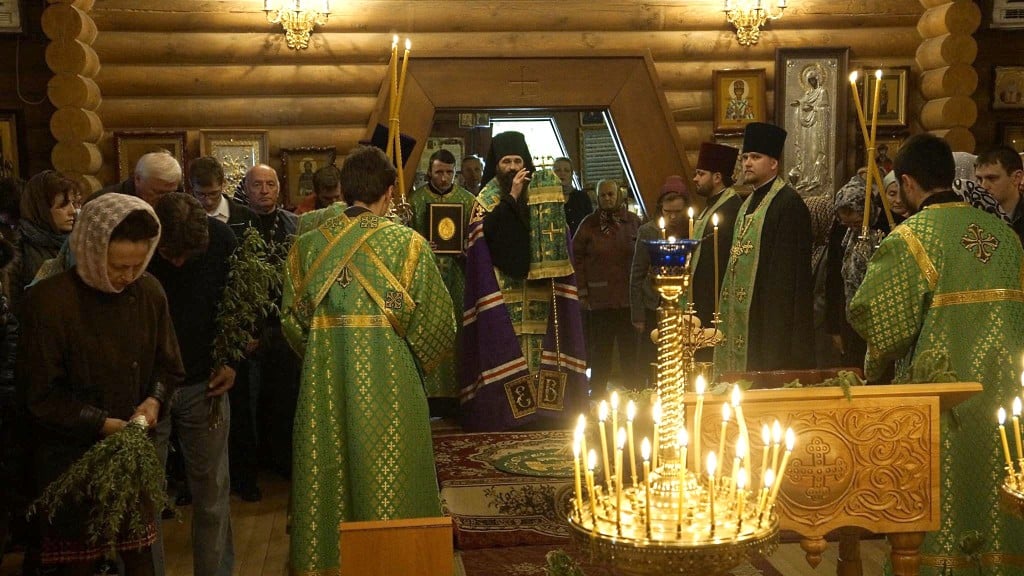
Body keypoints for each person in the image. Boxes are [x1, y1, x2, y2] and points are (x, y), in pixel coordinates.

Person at [848, 133, 1024, 572]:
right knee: (1004, 489)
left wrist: (872, 364)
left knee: (943, 497)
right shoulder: (1006, 236)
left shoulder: (911, 238)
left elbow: (882, 325)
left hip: (944, 402)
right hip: (1008, 401)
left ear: (908, 182)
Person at [281, 145, 455, 576]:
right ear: (390, 191)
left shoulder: (306, 247)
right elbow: (437, 325)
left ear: (343, 189)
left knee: (328, 478)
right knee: (394, 478)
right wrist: (411, 363)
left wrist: (323, 354)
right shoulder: (409, 245)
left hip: (324, 391)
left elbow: (292, 324)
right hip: (392, 392)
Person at [18, 193, 184, 575]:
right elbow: (39, 395)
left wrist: (154, 401)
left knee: (140, 560)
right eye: (118, 266)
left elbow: (168, 365)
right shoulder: (48, 302)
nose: (128, 276)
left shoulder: (149, 292)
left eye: (138, 264)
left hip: (130, 456)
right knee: (78, 564)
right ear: (91, 251)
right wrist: (101, 423)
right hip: (68, 460)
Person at [460, 131, 587, 431]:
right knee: (510, 348)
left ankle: (545, 410)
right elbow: (485, 239)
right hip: (502, 293)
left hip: (539, 289)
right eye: (506, 162)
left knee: (540, 349)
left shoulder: (541, 190)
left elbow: (559, 232)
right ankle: (511, 414)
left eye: (518, 161)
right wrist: (513, 197)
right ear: (496, 164)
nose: (513, 168)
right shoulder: (485, 199)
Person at [148, 193, 235, 576]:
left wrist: (231, 360)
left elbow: (238, 304)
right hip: (148, 391)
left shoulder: (222, 239)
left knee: (212, 494)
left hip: (206, 384)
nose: (180, 263)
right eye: (171, 255)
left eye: (189, 256)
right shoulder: (140, 242)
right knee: (146, 499)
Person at [714, 122, 815, 374]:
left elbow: (789, 277)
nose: (747, 163)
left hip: (770, 316)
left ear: (773, 163)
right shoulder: (747, 203)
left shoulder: (789, 204)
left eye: (756, 157)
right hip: (746, 313)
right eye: (745, 157)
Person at [409, 148, 476, 416]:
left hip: (458, 279)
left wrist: (465, 248)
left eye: (449, 172)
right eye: (439, 172)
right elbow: (408, 239)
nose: (444, 177)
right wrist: (422, 245)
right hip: (428, 280)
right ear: (430, 172)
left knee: (458, 331)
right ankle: (430, 397)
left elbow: (477, 240)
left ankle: (459, 397)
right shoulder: (416, 201)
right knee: (430, 329)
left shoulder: (468, 201)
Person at [572, 179, 642, 394]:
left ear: (618, 195)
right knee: (600, 350)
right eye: (603, 195)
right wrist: (582, 291)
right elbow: (576, 258)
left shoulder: (633, 222)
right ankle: (597, 394)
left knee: (630, 349)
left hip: (628, 299)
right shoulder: (588, 224)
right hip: (599, 300)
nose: (607, 198)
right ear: (597, 198)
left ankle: (635, 392)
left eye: (611, 194)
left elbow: (644, 257)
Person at [631, 176, 690, 378]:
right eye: (668, 212)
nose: (673, 217)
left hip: (684, 304)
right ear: (660, 209)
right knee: (652, 359)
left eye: (678, 212)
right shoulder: (648, 231)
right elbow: (637, 274)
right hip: (653, 304)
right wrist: (638, 315)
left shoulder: (692, 229)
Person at [690, 143, 743, 335]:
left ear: (717, 177)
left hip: (715, 297)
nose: (695, 178)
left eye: (701, 174)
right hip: (702, 294)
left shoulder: (731, 208)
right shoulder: (711, 206)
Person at [16, 171, 78, 293]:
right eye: (63, 205)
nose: (73, 211)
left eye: (73, 203)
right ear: (42, 210)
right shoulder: (19, 248)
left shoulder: (75, 241)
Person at [188, 156, 259, 238]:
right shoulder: (184, 218)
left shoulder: (247, 217)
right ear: (191, 185)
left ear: (224, 183)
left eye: (213, 193)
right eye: (201, 194)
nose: (208, 202)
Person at [788, 66, 830, 195]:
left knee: (815, 152)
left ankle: (817, 179)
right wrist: (799, 104)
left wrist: (813, 108)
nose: (812, 82)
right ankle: (806, 178)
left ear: (818, 79)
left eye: (813, 80)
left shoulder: (822, 92)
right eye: (809, 80)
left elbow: (825, 108)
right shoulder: (808, 93)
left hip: (818, 127)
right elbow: (803, 101)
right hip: (806, 129)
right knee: (806, 152)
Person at [975, 146, 1024, 242]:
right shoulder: (972, 216)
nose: (983, 186)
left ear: (1016, 178)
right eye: (979, 179)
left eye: (992, 178)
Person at [98, 150, 182, 206]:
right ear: (138, 179)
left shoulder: (179, 199)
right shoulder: (104, 204)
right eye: (158, 192)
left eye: (170, 193)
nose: (165, 199)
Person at [552, 157, 593, 235]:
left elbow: (590, 224)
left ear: (571, 174)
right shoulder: (547, 198)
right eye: (558, 170)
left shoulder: (582, 197)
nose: (562, 173)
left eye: (566, 170)